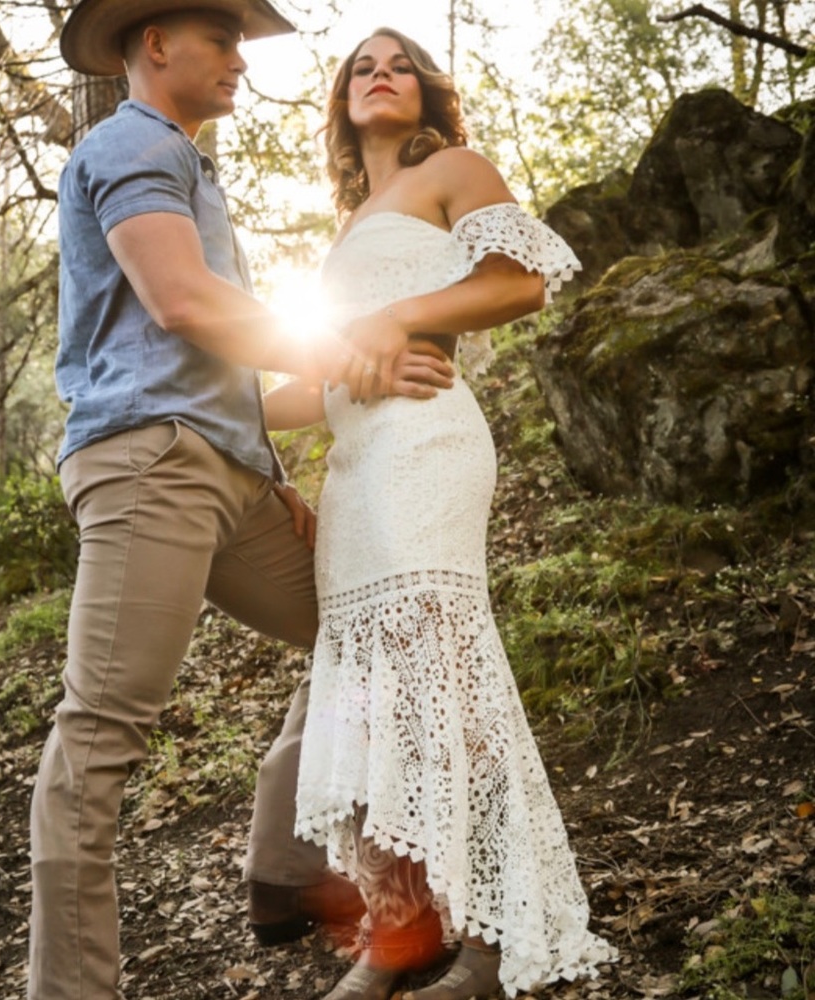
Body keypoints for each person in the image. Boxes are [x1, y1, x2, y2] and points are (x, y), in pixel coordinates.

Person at [31, 4, 455, 998]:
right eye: (221, 42)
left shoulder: (187, 162)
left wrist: (270, 476)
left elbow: (209, 361)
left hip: (225, 473)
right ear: (156, 45)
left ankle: (304, 869)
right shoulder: (129, 143)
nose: (238, 63)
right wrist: (348, 351)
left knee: (366, 624)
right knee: (96, 739)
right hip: (151, 469)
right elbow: (183, 302)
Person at [263, 27, 617, 1000]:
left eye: (399, 64)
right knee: (375, 705)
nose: (381, 75)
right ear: (340, 101)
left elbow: (521, 281)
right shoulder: (347, 227)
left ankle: (495, 940)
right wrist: (227, 418)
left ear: (426, 91)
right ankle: (397, 933)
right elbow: (315, 381)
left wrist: (397, 318)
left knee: (441, 684)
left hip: (424, 447)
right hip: (353, 472)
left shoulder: (453, 169)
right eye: (361, 67)